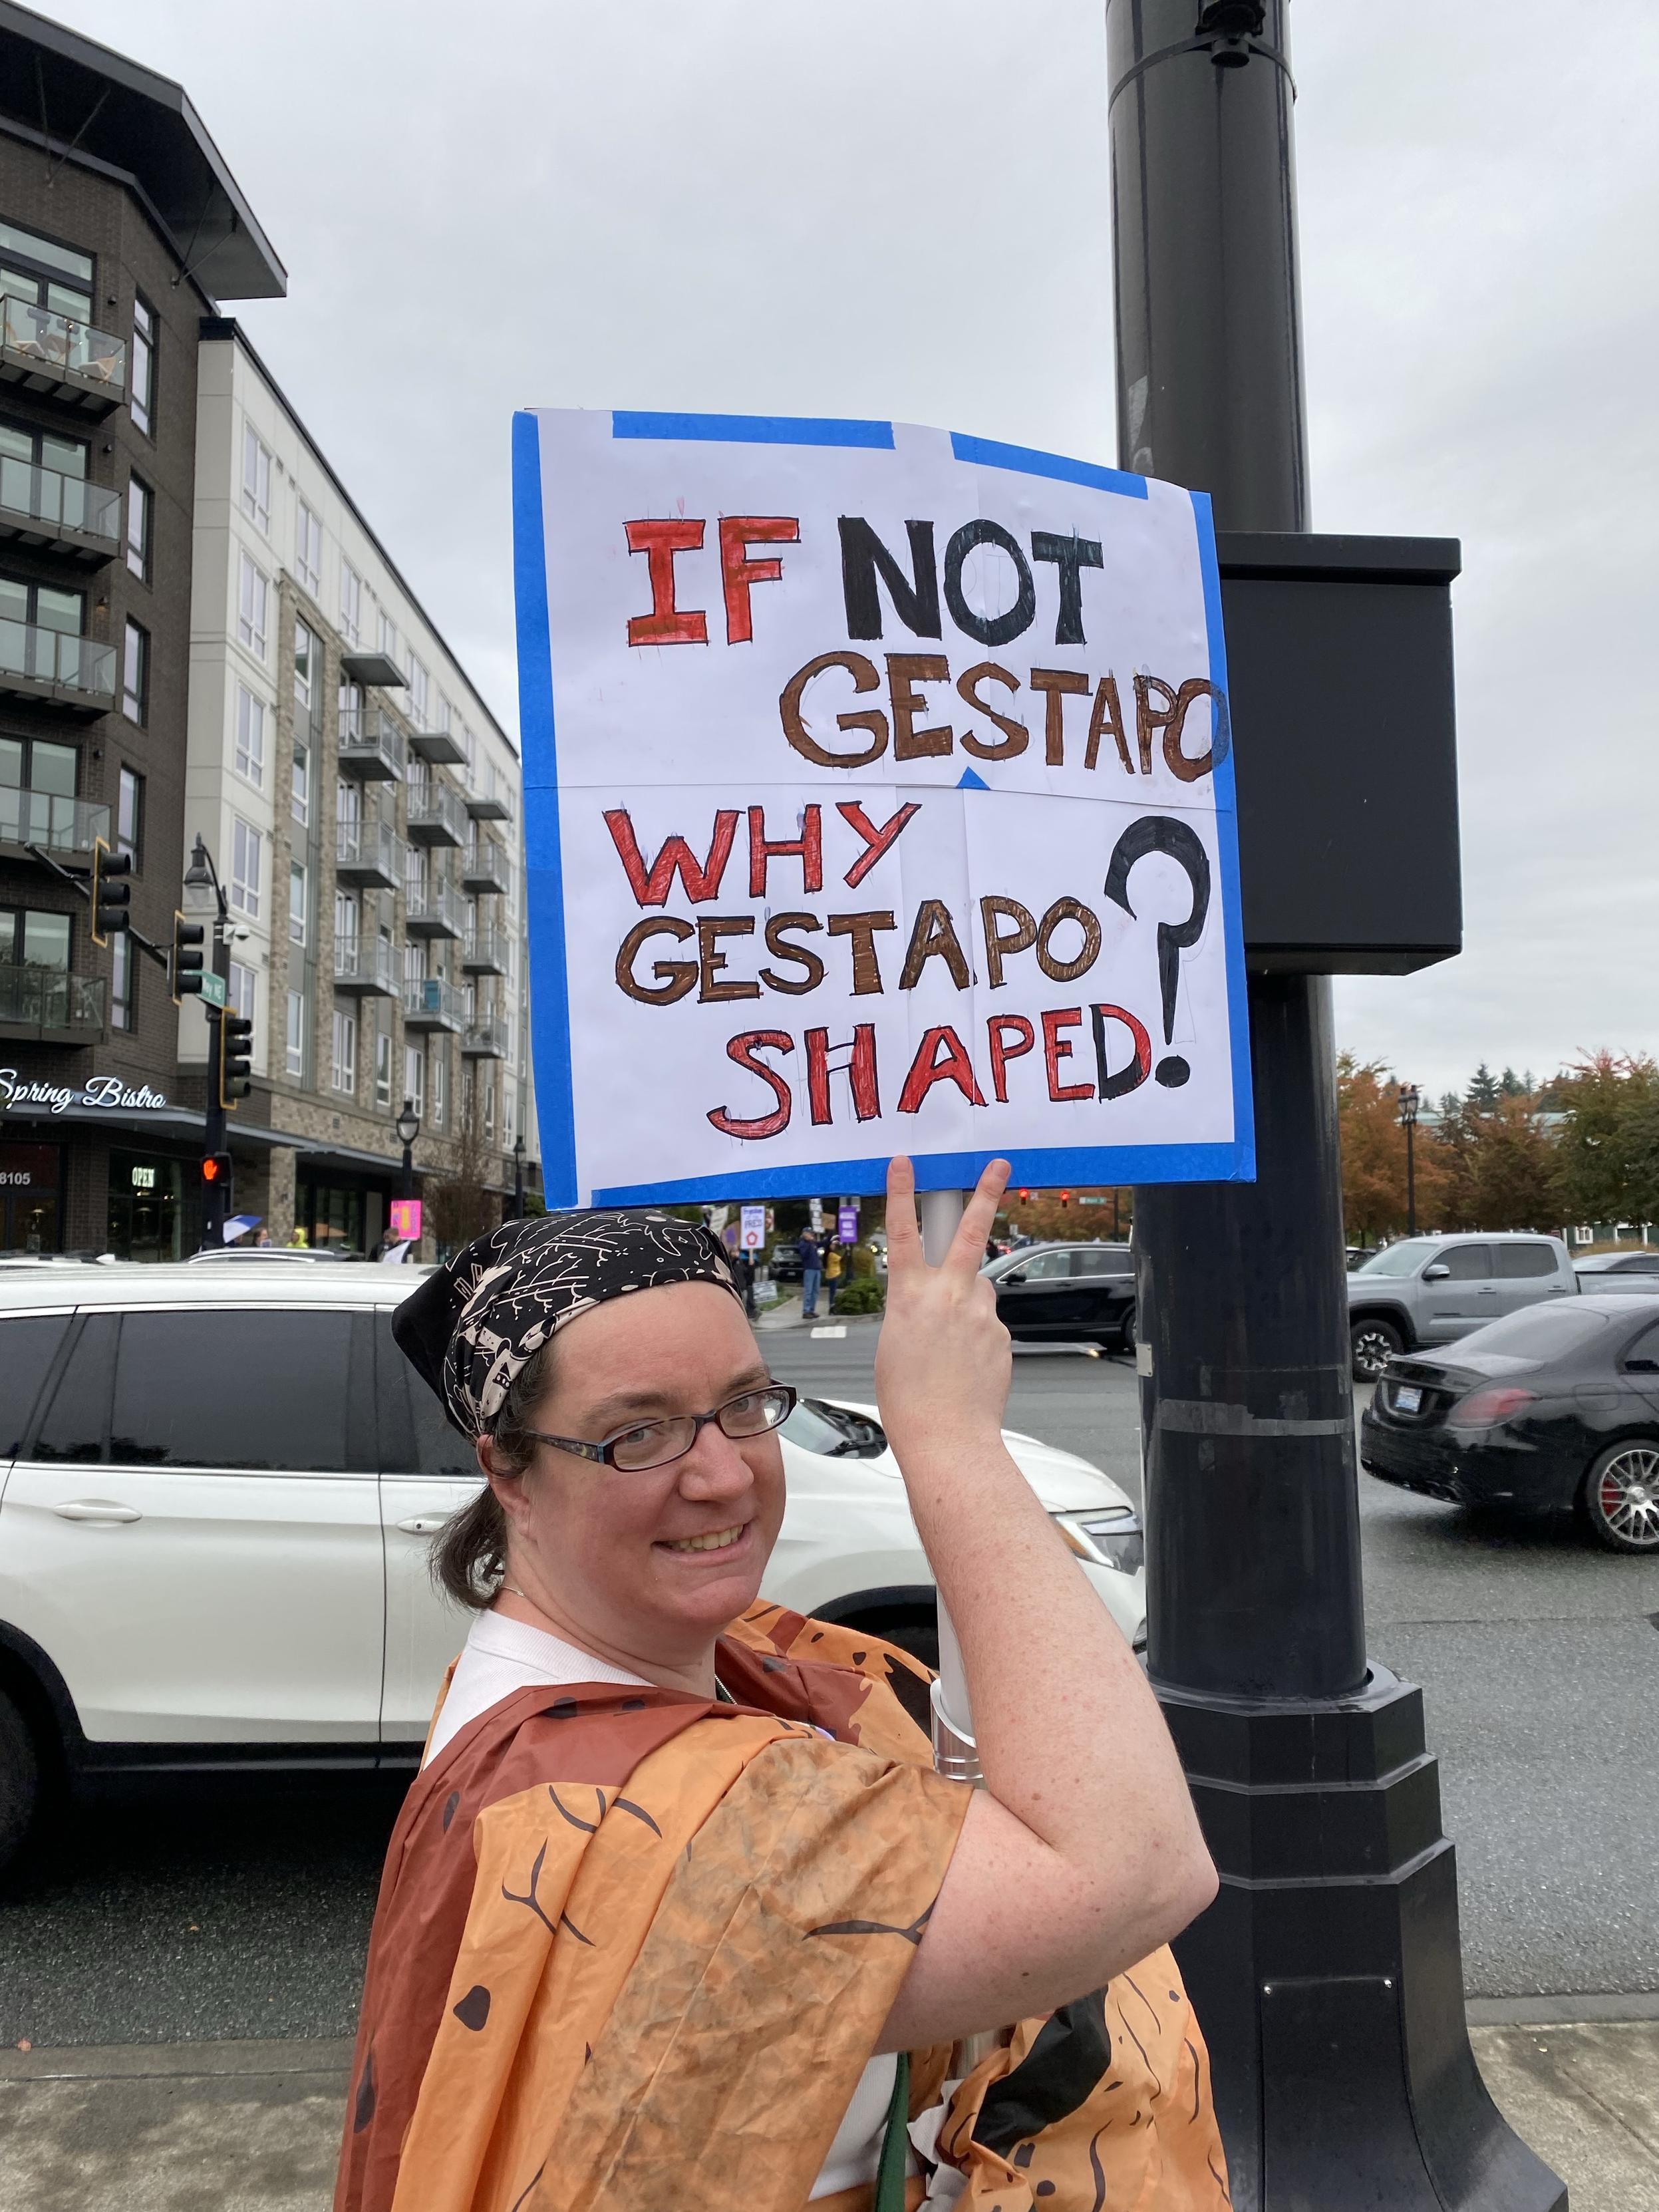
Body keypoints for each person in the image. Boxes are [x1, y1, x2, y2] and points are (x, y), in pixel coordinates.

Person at [335, 1163, 1225, 2212]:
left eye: (742, 1405)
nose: (721, 1474)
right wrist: (949, 1438)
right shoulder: (624, 1802)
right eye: (639, 1432)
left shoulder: (691, 1668)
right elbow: (1138, 1869)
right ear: (510, 1473)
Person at [798, 1223, 824, 1318]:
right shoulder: (803, 1244)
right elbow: (804, 1255)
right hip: (809, 1269)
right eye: (809, 1233)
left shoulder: (813, 1243)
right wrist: (809, 1243)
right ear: (805, 1234)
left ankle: (812, 1310)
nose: (811, 1235)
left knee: (815, 1291)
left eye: (812, 1233)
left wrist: (830, 1234)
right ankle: (806, 1311)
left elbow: (822, 1244)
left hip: (816, 1268)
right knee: (809, 1291)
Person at [824, 1238, 844, 1311]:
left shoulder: (828, 1254)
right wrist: (843, 1248)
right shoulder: (832, 1255)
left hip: (831, 1274)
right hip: (833, 1274)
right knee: (833, 1292)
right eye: (832, 1245)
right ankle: (832, 1307)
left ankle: (832, 1306)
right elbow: (841, 1257)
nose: (834, 1246)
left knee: (832, 1292)